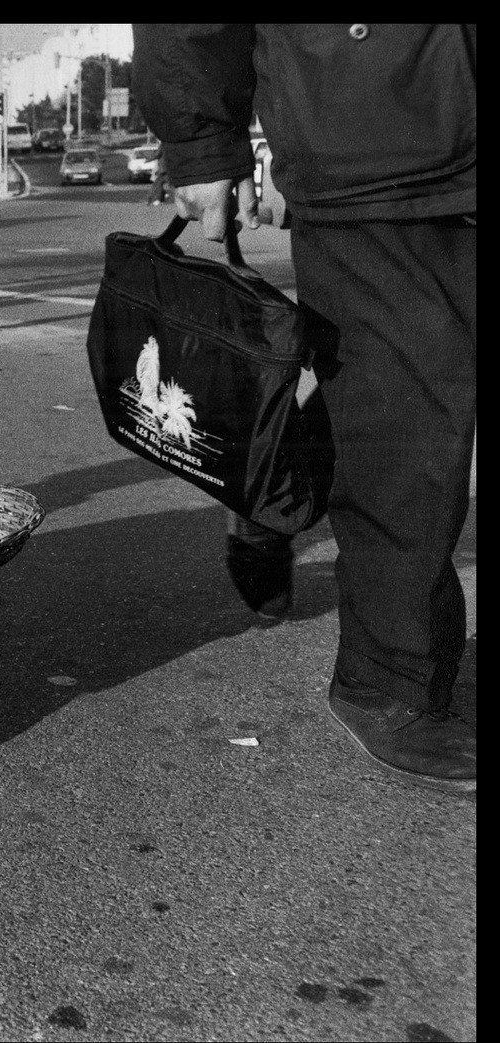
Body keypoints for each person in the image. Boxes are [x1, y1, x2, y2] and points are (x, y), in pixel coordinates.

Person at [134, 24, 475, 793]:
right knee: (405, 425)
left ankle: (274, 477)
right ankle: (388, 682)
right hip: (378, 149)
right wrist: (200, 145)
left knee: (387, 404)